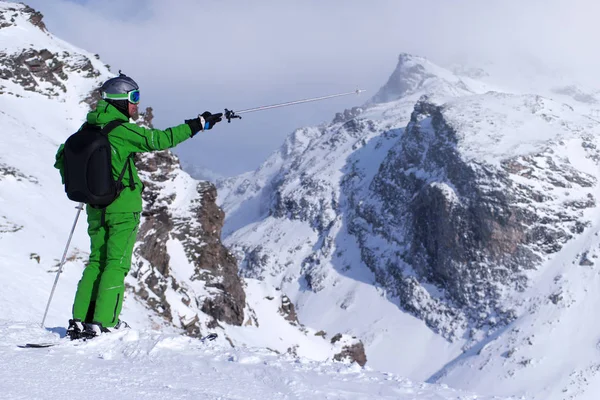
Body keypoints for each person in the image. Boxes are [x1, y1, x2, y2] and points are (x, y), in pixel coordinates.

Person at [54, 73, 222, 339]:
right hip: (122, 208)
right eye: (134, 98)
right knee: (116, 264)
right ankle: (105, 322)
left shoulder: (87, 129)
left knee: (96, 261)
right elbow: (159, 140)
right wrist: (198, 124)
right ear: (120, 100)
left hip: (95, 208)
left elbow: (61, 159)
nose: (137, 104)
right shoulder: (119, 129)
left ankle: (80, 320)